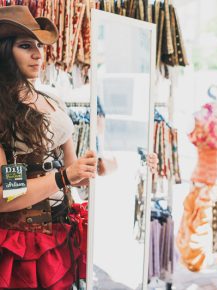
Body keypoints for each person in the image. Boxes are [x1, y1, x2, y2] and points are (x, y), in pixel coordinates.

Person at [0, 6, 158, 289]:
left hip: (61, 231)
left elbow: (77, 172)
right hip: (21, 241)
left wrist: (136, 161)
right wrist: (64, 177)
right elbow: (5, 197)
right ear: (3, 52)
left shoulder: (53, 100)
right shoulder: (2, 111)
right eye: (26, 46)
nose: (38, 54)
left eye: (39, 46)